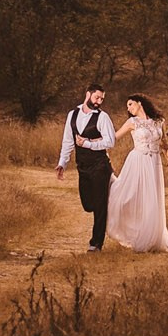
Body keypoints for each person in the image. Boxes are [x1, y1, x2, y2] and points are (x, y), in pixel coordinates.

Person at [106, 94, 168, 253]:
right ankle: (129, 229)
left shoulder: (159, 121)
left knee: (152, 200)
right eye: (127, 106)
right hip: (137, 161)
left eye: (130, 104)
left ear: (139, 103)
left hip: (154, 163)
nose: (128, 108)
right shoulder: (132, 122)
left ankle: (151, 238)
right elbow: (113, 138)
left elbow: (165, 145)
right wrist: (99, 149)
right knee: (128, 196)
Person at [55, 84, 116, 251]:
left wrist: (88, 144)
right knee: (88, 204)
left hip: (100, 165)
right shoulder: (72, 115)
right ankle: (105, 207)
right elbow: (68, 141)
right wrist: (62, 163)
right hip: (82, 166)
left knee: (99, 205)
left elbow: (110, 141)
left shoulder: (103, 117)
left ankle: (96, 243)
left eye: (102, 99)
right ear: (87, 94)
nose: (99, 102)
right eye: (97, 97)